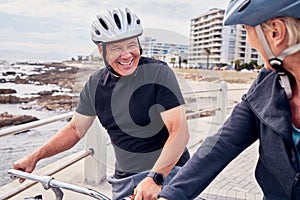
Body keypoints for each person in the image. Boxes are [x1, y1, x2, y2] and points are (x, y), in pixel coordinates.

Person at [13, 7, 190, 200]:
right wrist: (34, 157)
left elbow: (179, 130)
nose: (127, 55)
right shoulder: (95, 85)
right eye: (116, 48)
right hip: (124, 182)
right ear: (101, 50)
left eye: (131, 45)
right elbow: (74, 130)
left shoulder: (158, 73)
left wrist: (155, 178)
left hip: (169, 173)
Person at [158, 0, 300, 199]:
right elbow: (221, 144)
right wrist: (171, 194)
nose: (249, 40)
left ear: (276, 32)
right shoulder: (266, 84)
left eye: (246, 30)